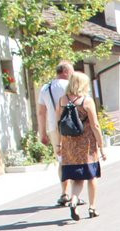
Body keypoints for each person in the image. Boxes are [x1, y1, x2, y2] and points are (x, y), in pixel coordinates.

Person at [54, 71, 105, 221]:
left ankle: (74, 199)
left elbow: (59, 124)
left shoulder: (62, 101)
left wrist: (59, 144)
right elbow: (95, 125)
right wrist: (101, 145)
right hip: (86, 144)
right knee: (91, 176)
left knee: (77, 179)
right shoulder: (86, 101)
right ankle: (92, 207)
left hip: (69, 144)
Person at [37, 60, 73, 206]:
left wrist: (42, 133)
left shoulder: (45, 88)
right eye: (71, 71)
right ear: (65, 72)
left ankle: (64, 193)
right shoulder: (70, 86)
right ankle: (75, 194)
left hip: (54, 128)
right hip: (72, 126)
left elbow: (41, 112)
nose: (72, 74)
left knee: (62, 160)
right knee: (75, 158)